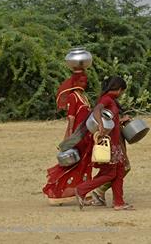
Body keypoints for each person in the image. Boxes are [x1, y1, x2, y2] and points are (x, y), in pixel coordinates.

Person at [75, 76, 134, 211]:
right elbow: (96, 111)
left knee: (119, 171)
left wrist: (120, 120)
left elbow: (111, 121)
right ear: (118, 89)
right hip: (110, 144)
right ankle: (81, 190)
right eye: (122, 91)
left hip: (115, 143)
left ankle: (119, 202)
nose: (121, 94)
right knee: (110, 174)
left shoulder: (111, 101)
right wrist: (100, 125)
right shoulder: (106, 99)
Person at [42, 70, 93, 205]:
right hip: (77, 137)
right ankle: (56, 192)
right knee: (73, 163)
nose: (84, 84)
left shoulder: (84, 97)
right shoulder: (73, 97)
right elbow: (71, 118)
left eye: (85, 82)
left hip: (87, 136)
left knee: (85, 165)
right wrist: (69, 136)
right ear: (74, 82)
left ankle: (84, 193)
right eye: (81, 81)